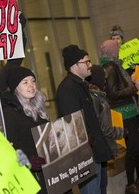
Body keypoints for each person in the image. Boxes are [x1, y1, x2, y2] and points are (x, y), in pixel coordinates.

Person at [56, 45, 113, 194]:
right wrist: (90, 143)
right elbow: (74, 124)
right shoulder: (67, 88)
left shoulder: (82, 85)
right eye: (86, 62)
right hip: (85, 154)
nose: (90, 66)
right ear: (74, 65)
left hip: (94, 151)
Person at [1, 66, 49, 194]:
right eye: (25, 82)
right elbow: (7, 150)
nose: (31, 85)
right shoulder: (9, 113)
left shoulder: (38, 107)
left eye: (33, 81)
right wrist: (27, 161)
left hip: (49, 174)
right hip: (30, 180)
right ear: (16, 87)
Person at [100, 40, 139, 194]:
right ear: (112, 50)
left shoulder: (115, 65)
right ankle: (130, 184)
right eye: (116, 48)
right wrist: (133, 89)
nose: (119, 49)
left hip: (130, 111)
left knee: (135, 147)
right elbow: (113, 94)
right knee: (134, 148)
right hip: (124, 113)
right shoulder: (110, 67)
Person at [86, 65, 125, 194]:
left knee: (102, 185)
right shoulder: (94, 98)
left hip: (101, 148)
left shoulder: (98, 95)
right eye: (103, 76)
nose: (105, 80)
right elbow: (102, 128)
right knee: (98, 187)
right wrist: (121, 132)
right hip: (97, 149)